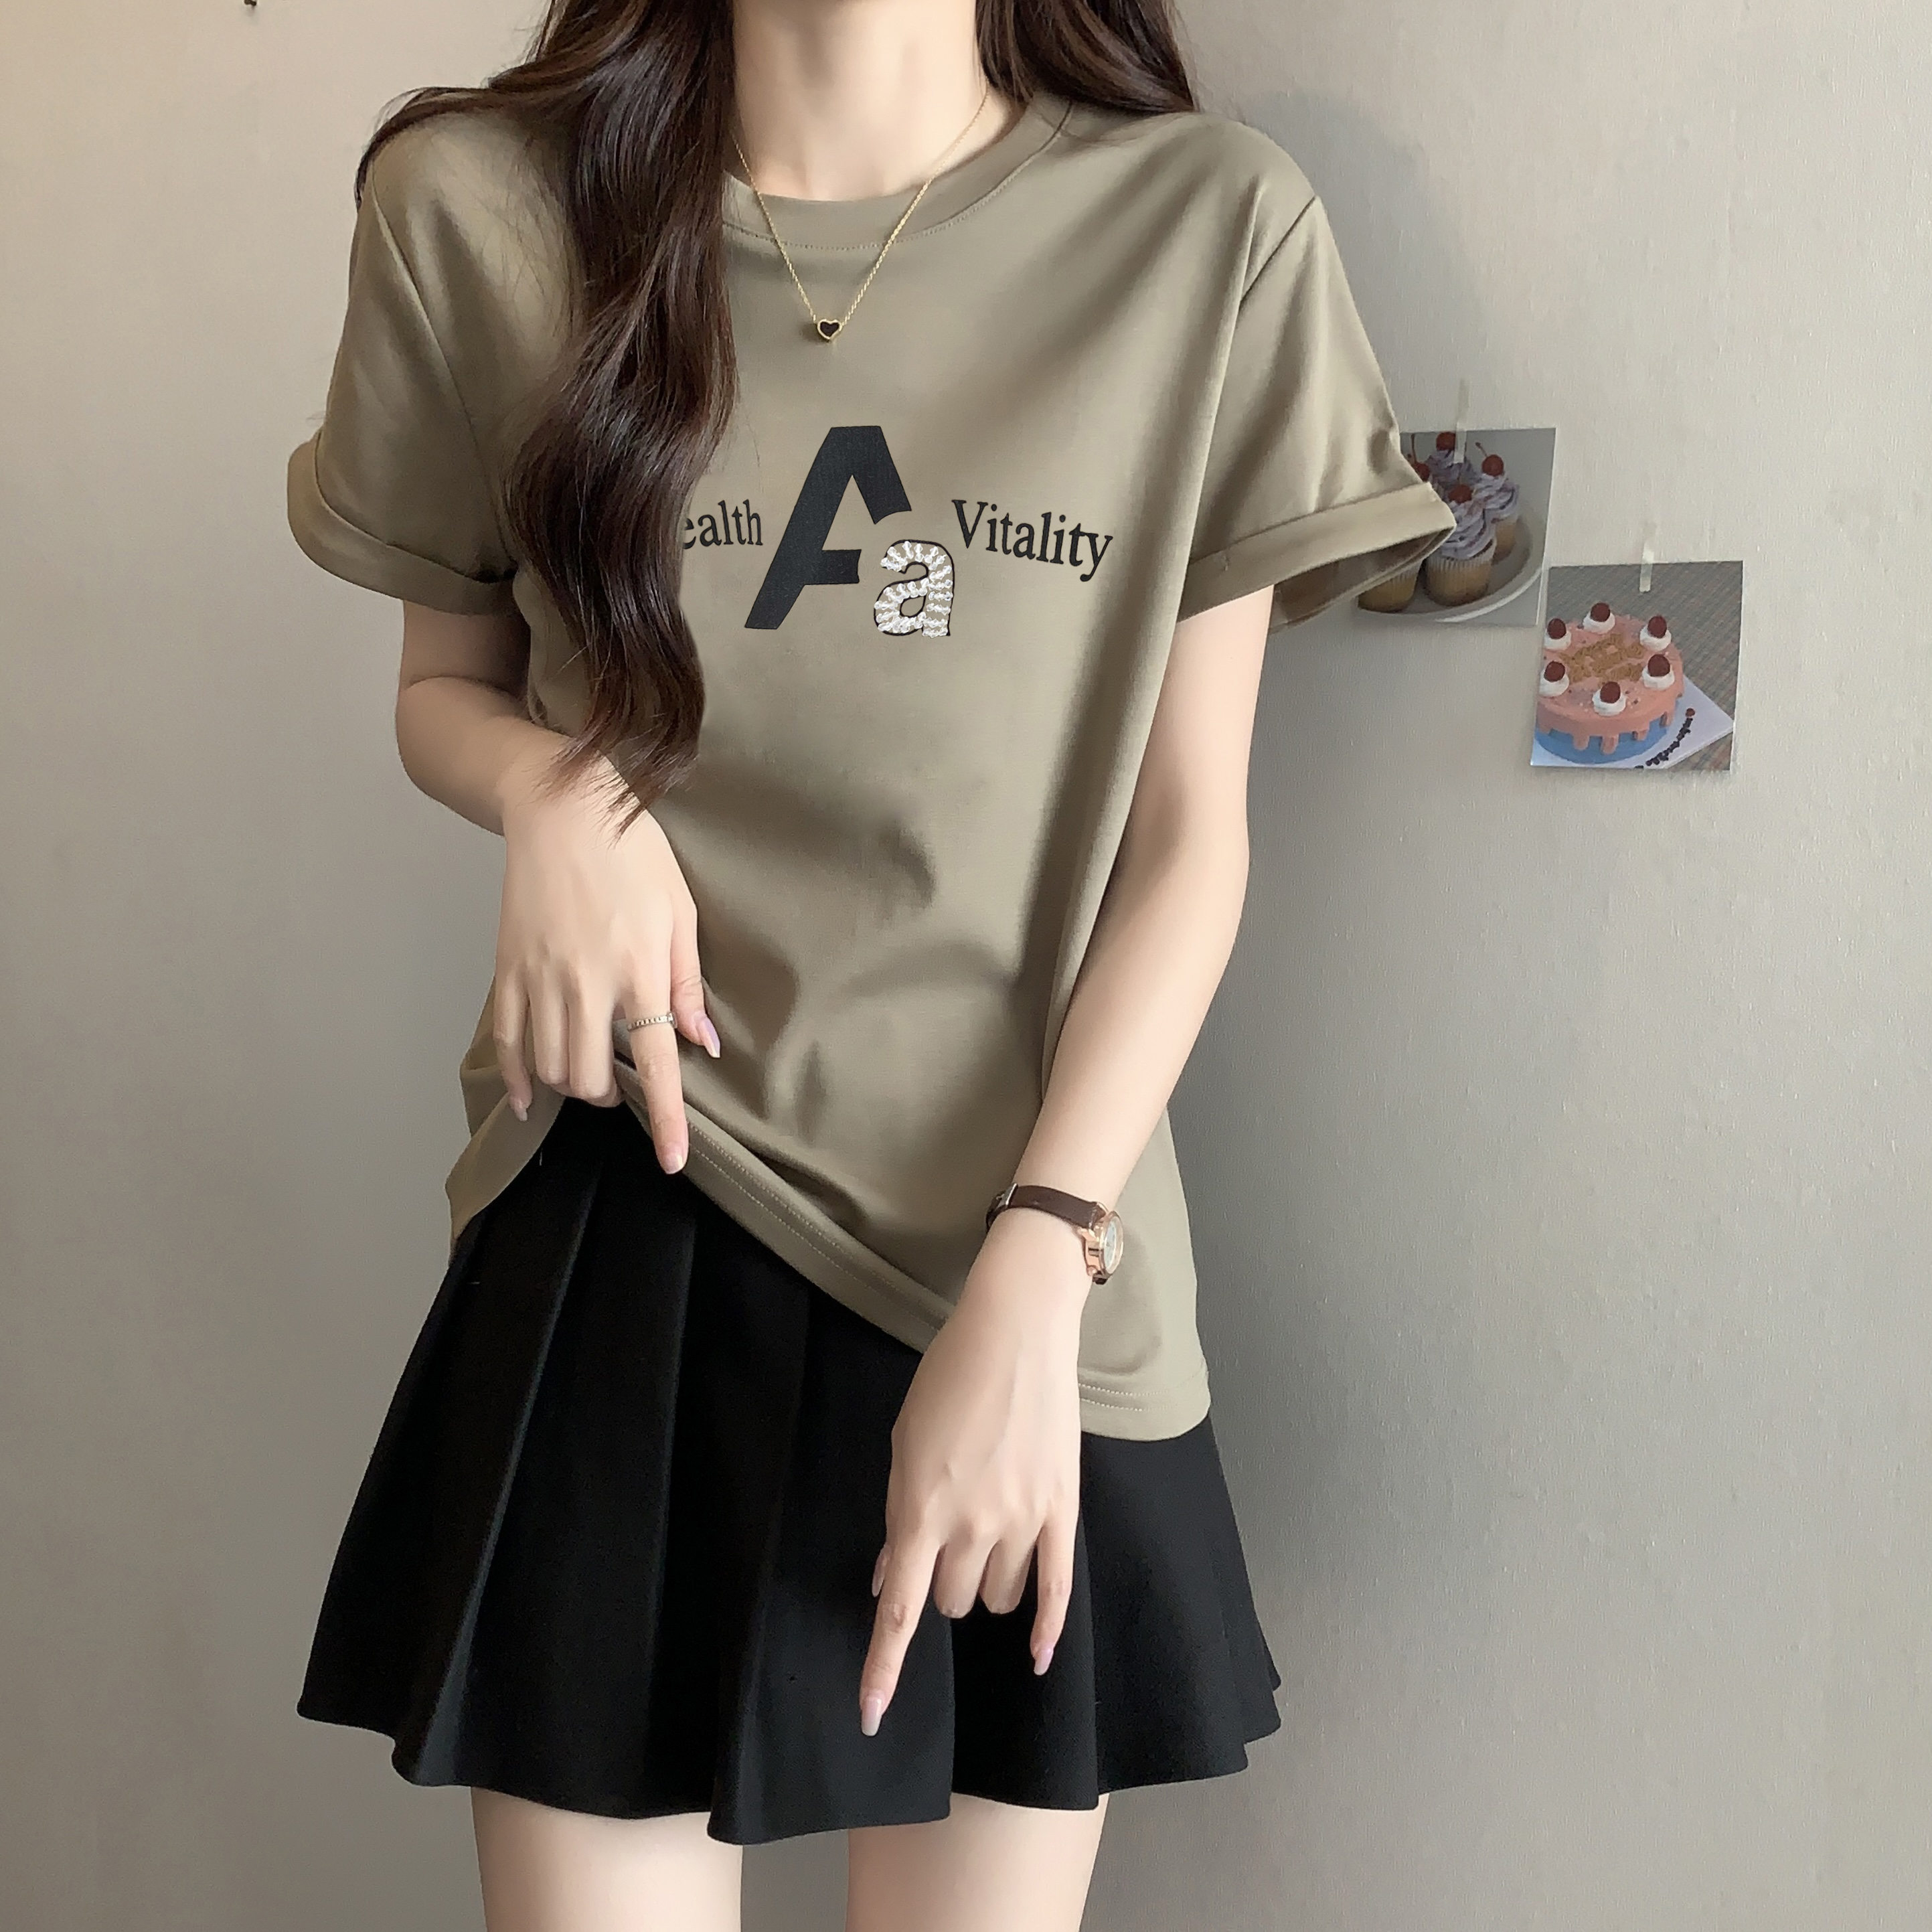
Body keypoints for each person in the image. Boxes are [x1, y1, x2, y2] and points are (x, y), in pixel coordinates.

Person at [285, 0, 1453, 1925]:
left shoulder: (1208, 232)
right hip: (629, 1209)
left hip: (1021, 1247)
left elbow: (1187, 848)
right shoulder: (478, 209)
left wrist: (1042, 1264)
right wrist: (556, 793)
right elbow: (443, 691)